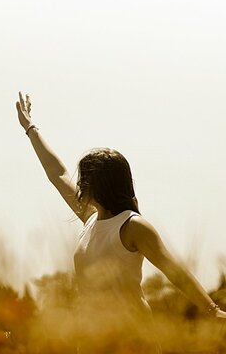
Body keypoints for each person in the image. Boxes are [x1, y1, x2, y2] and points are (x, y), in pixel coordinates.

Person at [15, 92, 225, 352]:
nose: (78, 184)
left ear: (99, 184)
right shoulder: (90, 220)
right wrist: (30, 128)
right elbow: (57, 173)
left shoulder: (132, 226)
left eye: (84, 179)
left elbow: (173, 270)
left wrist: (211, 310)